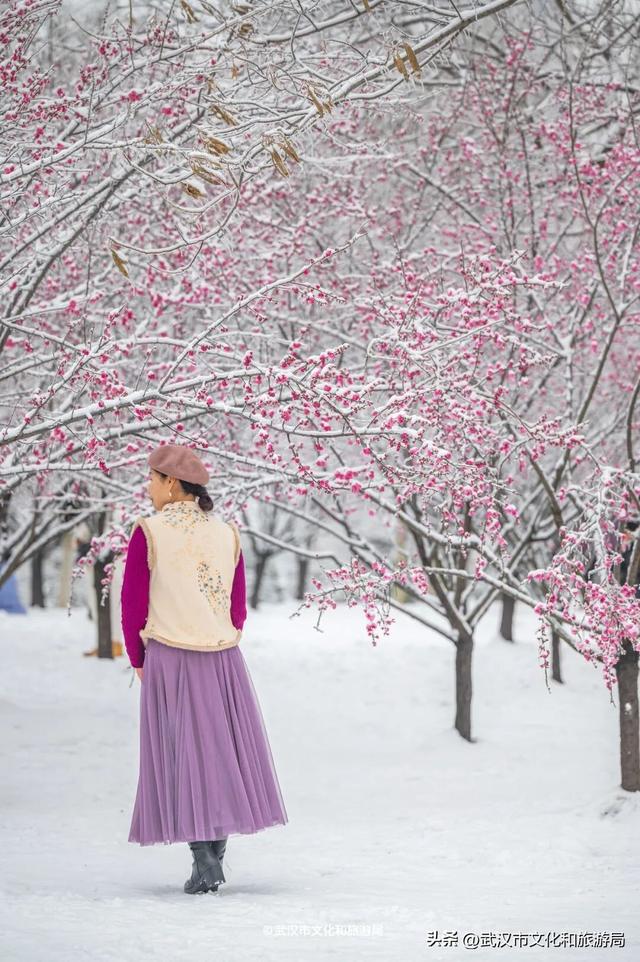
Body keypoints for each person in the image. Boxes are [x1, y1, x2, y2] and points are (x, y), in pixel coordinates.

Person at [120, 442, 288, 895]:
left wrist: (138, 658)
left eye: (152, 480)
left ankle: (202, 857)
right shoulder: (227, 533)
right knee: (222, 751)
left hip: (170, 654)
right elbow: (238, 609)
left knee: (180, 751)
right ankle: (211, 856)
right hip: (222, 656)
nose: (149, 489)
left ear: (171, 483)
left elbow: (133, 603)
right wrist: (218, 635)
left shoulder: (148, 532)